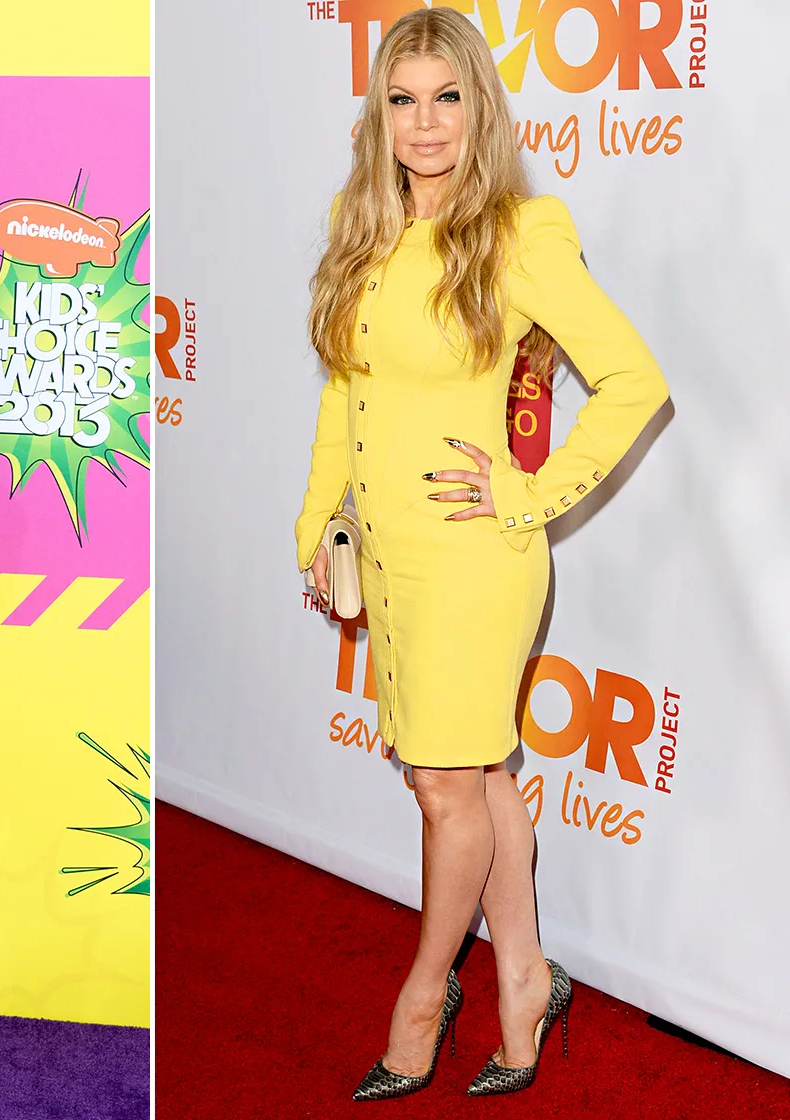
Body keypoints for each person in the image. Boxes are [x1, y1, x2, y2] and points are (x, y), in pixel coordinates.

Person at [294, 7, 668, 1100]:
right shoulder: (362, 223)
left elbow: (633, 381)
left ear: (481, 109)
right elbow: (345, 392)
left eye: (446, 97)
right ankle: (525, 977)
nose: (424, 123)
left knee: (442, 786)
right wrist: (317, 521)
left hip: (473, 558)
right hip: (391, 556)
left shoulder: (517, 234)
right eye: (402, 100)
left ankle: (424, 996)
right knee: (476, 770)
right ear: (379, 114)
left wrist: (531, 494)